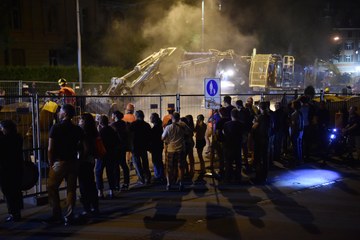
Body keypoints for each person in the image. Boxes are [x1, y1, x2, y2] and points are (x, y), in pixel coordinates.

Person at [47, 104, 84, 225]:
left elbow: (50, 148)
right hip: (73, 161)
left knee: (52, 187)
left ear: (65, 114)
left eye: (60, 112)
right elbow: (81, 146)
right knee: (71, 189)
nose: (58, 113)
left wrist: (51, 162)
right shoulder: (77, 129)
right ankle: (69, 215)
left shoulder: (56, 127)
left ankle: (56, 213)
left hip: (60, 162)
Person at [0, 120, 24, 222]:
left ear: (6, 129)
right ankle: (17, 212)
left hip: (6, 169)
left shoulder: (4, 139)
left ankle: (13, 213)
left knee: (8, 191)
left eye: (2, 128)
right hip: (17, 166)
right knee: (16, 190)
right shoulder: (18, 137)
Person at [78, 113, 99, 216]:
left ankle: (87, 208)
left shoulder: (84, 133)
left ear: (84, 121)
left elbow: (86, 148)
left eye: (80, 120)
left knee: (84, 185)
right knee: (91, 184)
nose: (79, 121)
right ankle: (95, 207)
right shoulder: (94, 131)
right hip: (91, 160)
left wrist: (80, 159)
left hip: (84, 161)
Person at [96, 115, 119, 199]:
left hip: (102, 155)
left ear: (100, 122)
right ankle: (111, 191)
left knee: (98, 173)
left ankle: (100, 192)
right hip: (111, 154)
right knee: (110, 173)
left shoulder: (100, 132)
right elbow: (117, 142)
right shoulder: (112, 131)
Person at [162, 112, 186, 191]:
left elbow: (162, 138)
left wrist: (168, 140)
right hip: (180, 149)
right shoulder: (183, 126)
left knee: (169, 167)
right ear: (179, 118)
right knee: (180, 167)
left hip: (171, 150)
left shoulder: (168, 127)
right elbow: (190, 133)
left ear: (172, 119)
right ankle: (181, 183)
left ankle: (169, 184)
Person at [130, 110, 152, 184]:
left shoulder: (133, 124)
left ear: (136, 116)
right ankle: (148, 178)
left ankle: (141, 179)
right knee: (145, 163)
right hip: (144, 147)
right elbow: (149, 136)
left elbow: (130, 135)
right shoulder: (146, 125)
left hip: (135, 147)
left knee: (137, 163)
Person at [110, 111, 130, 191]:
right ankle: (126, 182)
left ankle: (117, 184)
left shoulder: (114, 125)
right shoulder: (124, 124)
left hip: (116, 147)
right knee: (124, 164)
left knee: (116, 166)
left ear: (115, 115)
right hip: (123, 146)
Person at [222, 108, 243, 183]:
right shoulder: (241, 124)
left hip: (228, 146)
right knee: (238, 162)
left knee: (228, 163)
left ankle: (228, 177)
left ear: (231, 116)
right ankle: (238, 177)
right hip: (237, 145)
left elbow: (224, 134)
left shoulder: (226, 124)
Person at [252, 102, 271, 184]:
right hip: (266, 139)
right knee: (265, 158)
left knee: (258, 159)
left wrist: (254, 123)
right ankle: (264, 176)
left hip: (259, 140)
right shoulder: (269, 117)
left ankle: (258, 177)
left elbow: (254, 127)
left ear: (260, 108)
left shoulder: (260, 118)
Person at [149, 112, 165, 183]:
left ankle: (158, 176)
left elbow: (153, 137)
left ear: (154, 119)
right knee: (158, 160)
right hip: (158, 146)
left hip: (156, 146)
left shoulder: (156, 127)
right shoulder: (158, 126)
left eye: (151, 117)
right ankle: (160, 175)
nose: (150, 119)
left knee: (156, 161)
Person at [290, 100, 304, 166]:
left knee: (295, 147)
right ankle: (300, 160)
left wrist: (292, 133)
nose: (291, 105)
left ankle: (296, 161)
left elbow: (293, 125)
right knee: (300, 146)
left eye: (292, 104)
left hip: (296, 132)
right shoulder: (301, 113)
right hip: (301, 132)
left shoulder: (294, 114)